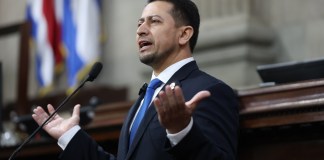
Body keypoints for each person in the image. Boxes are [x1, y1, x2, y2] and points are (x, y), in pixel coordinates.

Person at [32, 0, 239, 159]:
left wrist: (182, 131)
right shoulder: (143, 101)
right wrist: (70, 136)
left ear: (184, 35)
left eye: (154, 21)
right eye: (140, 23)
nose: (140, 30)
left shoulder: (210, 91)